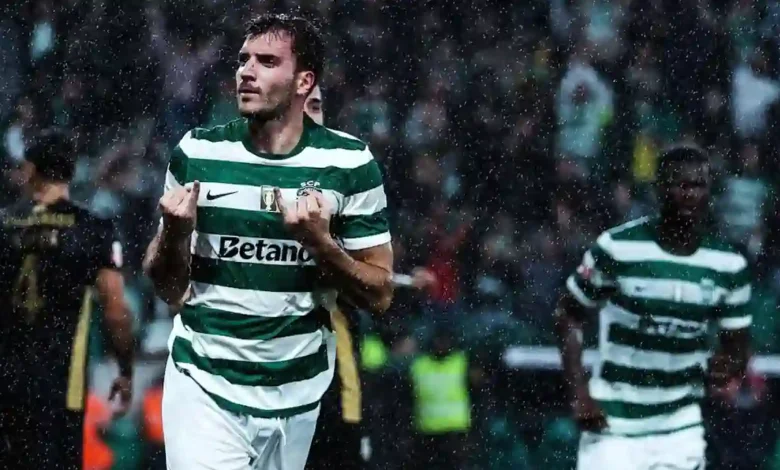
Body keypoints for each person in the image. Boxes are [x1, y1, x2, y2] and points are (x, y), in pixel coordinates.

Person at [143, 14, 394, 470]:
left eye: (266, 61)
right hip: (205, 378)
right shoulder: (198, 153)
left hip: (298, 388)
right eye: (244, 60)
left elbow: (379, 294)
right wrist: (175, 236)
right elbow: (167, 286)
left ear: (304, 81)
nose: (246, 71)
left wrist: (320, 245)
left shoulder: (351, 164)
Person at [554, 144, 753, 470]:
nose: (689, 194)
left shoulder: (728, 266)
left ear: (710, 192)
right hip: (612, 424)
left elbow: (738, 345)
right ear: (659, 190)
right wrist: (578, 393)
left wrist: (729, 368)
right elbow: (568, 313)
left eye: (698, 185)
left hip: (679, 428)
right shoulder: (617, 248)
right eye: (679, 184)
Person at [0, 129, 134, 469]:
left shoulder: (4, 224)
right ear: (71, 171)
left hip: (7, 383)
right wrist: (125, 370)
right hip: (60, 388)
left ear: (30, 169)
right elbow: (116, 311)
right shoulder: (92, 229)